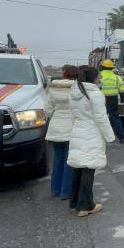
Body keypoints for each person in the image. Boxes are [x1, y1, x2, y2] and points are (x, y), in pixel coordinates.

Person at [68, 66, 116, 217]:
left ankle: (74, 202)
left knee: (78, 168)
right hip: (92, 132)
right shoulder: (95, 94)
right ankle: (85, 205)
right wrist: (110, 137)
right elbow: (101, 118)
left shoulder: (75, 92)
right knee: (89, 168)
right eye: (98, 76)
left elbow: (73, 113)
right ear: (93, 78)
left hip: (78, 130)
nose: (100, 78)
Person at [44, 65, 79, 200]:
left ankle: (55, 190)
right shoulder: (77, 90)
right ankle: (66, 192)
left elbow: (47, 110)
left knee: (57, 159)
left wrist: (55, 116)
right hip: (71, 127)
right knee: (69, 161)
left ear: (64, 74)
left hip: (56, 127)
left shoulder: (53, 90)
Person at [99, 59, 124, 143]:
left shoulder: (98, 76)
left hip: (100, 99)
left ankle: (100, 138)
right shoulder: (117, 77)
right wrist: (123, 99)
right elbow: (122, 89)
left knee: (99, 117)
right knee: (114, 118)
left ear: (102, 67)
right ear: (112, 68)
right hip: (112, 99)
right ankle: (122, 137)